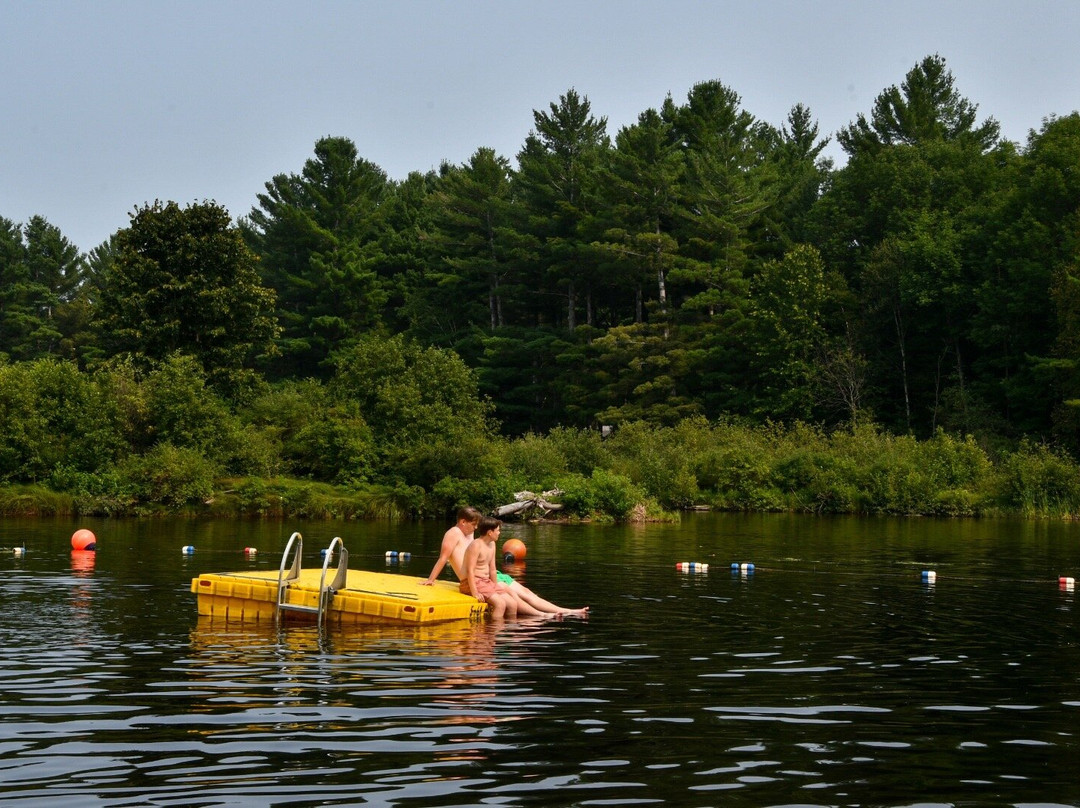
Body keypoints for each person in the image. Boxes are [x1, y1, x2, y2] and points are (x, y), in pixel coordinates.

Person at [421, 507, 588, 618]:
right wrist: (431, 580)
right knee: (517, 597)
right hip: (479, 579)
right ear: (463, 522)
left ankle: (563, 612)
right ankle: (549, 614)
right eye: (473, 525)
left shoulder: (473, 535)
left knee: (526, 594)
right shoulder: (453, 533)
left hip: (489, 577)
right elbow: (443, 558)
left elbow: (487, 562)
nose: (475, 528)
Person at [458, 516, 525, 619]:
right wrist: (475, 592)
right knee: (500, 604)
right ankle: (492, 633)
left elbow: (493, 569)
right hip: (471, 582)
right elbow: (470, 570)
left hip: (486, 582)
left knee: (512, 604)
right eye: (497, 530)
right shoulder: (476, 545)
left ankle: (510, 631)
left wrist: (495, 587)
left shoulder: (492, 544)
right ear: (490, 532)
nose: (499, 533)